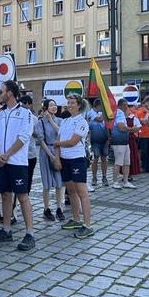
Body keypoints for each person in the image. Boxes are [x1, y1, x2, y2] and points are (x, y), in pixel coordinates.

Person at [0, 80, 36, 251]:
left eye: (1, 92)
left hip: (17, 162)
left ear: (9, 93)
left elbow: (24, 138)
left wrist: (7, 154)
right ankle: (6, 230)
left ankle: (30, 233)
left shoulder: (26, 113)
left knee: (22, 196)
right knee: (5, 196)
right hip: (1, 162)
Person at [54, 93, 93, 238]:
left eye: (72, 102)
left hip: (77, 160)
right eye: (68, 102)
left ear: (79, 105)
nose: (69, 105)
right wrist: (57, 158)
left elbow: (72, 142)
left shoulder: (82, 122)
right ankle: (76, 219)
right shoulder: (64, 121)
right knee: (70, 191)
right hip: (65, 160)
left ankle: (87, 225)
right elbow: (58, 140)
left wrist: (57, 144)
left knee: (82, 192)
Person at [34, 98, 65, 221]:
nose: (54, 107)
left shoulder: (61, 121)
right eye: (51, 105)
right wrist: (50, 156)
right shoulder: (40, 123)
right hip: (46, 152)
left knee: (59, 182)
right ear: (46, 108)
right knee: (46, 184)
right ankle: (46, 209)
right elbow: (40, 140)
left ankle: (59, 208)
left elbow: (61, 133)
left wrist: (51, 120)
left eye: (55, 105)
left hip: (58, 150)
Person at [111, 99, 141, 189]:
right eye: (126, 105)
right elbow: (121, 127)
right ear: (123, 105)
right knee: (119, 162)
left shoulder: (120, 114)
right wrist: (133, 129)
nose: (127, 107)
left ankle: (125, 181)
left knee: (126, 162)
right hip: (119, 141)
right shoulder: (119, 113)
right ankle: (115, 182)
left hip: (124, 141)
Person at [87, 99, 110, 186]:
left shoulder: (101, 113)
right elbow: (100, 120)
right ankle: (94, 178)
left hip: (104, 140)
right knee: (95, 159)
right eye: (102, 106)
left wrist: (109, 138)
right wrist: (105, 112)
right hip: (95, 140)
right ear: (98, 105)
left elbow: (106, 125)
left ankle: (104, 177)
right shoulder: (91, 113)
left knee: (104, 159)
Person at [19, 95, 39, 195]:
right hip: (18, 154)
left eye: (28, 103)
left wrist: (30, 131)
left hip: (31, 154)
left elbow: (39, 135)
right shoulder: (17, 117)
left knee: (29, 177)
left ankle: (26, 195)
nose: (26, 105)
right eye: (24, 103)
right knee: (18, 178)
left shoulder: (35, 119)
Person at [135, 101, 149, 174]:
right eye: (146, 105)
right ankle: (143, 167)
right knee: (143, 152)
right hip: (142, 135)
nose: (147, 106)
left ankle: (148, 167)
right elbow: (143, 122)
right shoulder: (139, 112)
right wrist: (147, 113)